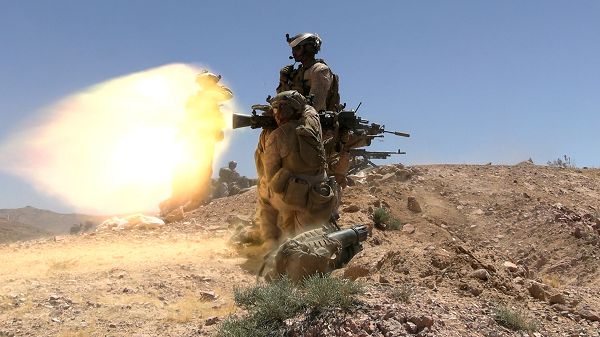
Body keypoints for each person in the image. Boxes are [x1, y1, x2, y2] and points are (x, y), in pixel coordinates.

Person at [260, 90, 336, 247]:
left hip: (296, 199)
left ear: (285, 110)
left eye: (276, 109)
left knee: (263, 188)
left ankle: (270, 241)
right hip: (320, 193)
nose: (275, 114)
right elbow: (309, 109)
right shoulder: (314, 122)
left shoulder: (277, 136)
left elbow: (272, 177)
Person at [160, 71, 232, 216]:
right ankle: (179, 197)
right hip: (193, 135)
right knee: (183, 166)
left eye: (204, 82)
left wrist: (214, 87)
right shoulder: (196, 98)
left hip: (207, 134)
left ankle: (198, 199)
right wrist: (182, 132)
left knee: (204, 168)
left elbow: (228, 95)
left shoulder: (214, 93)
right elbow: (189, 116)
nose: (202, 85)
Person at [277, 33, 340, 112]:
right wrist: (283, 81)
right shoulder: (296, 73)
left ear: (308, 48)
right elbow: (280, 99)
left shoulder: (319, 70)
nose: (293, 52)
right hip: (294, 118)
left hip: (313, 120)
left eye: (297, 48)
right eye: (293, 49)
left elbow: (315, 105)